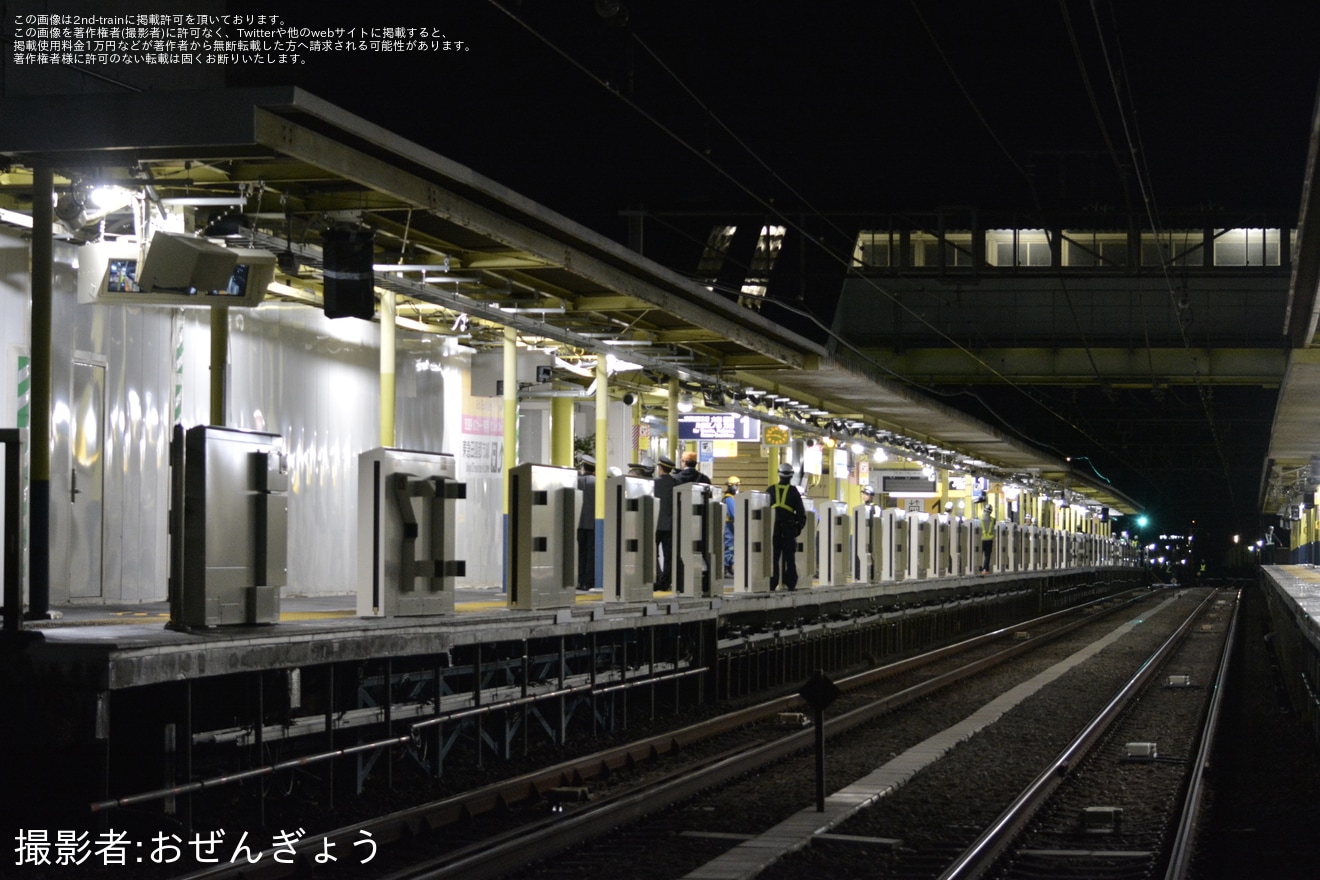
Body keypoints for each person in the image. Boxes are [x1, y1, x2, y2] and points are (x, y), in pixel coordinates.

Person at [767, 462, 806, 591]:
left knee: (773, 558)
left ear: (779, 474)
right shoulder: (794, 492)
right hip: (788, 530)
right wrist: (797, 528)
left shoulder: (770, 490)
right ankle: (790, 583)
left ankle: (772, 583)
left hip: (773, 530)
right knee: (790, 558)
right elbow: (801, 513)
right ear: (791, 476)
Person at [653, 455, 677, 590]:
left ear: (660, 468)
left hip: (655, 524)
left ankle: (655, 578)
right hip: (670, 525)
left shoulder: (654, 483)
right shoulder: (676, 483)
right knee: (669, 555)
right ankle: (666, 582)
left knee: (653, 553)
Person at [576, 455, 596, 590]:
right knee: (591, 553)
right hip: (593, 524)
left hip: (578, 523)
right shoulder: (597, 482)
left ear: (583, 468)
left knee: (579, 553)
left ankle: (579, 580)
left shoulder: (574, 481)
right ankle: (588, 582)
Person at [722, 476, 740, 575]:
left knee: (731, 546)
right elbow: (734, 514)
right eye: (737, 486)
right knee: (729, 546)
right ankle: (726, 566)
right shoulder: (729, 499)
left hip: (730, 526)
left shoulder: (730, 498)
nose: (738, 488)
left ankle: (728, 565)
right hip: (728, 526)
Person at [980, 502, 995, 574]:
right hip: (989, 539)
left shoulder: (980, 518)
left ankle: (979, 567)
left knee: (979, 553)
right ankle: (985, 569)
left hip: (981, 539)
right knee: (987, 555)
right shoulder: (992, 520)